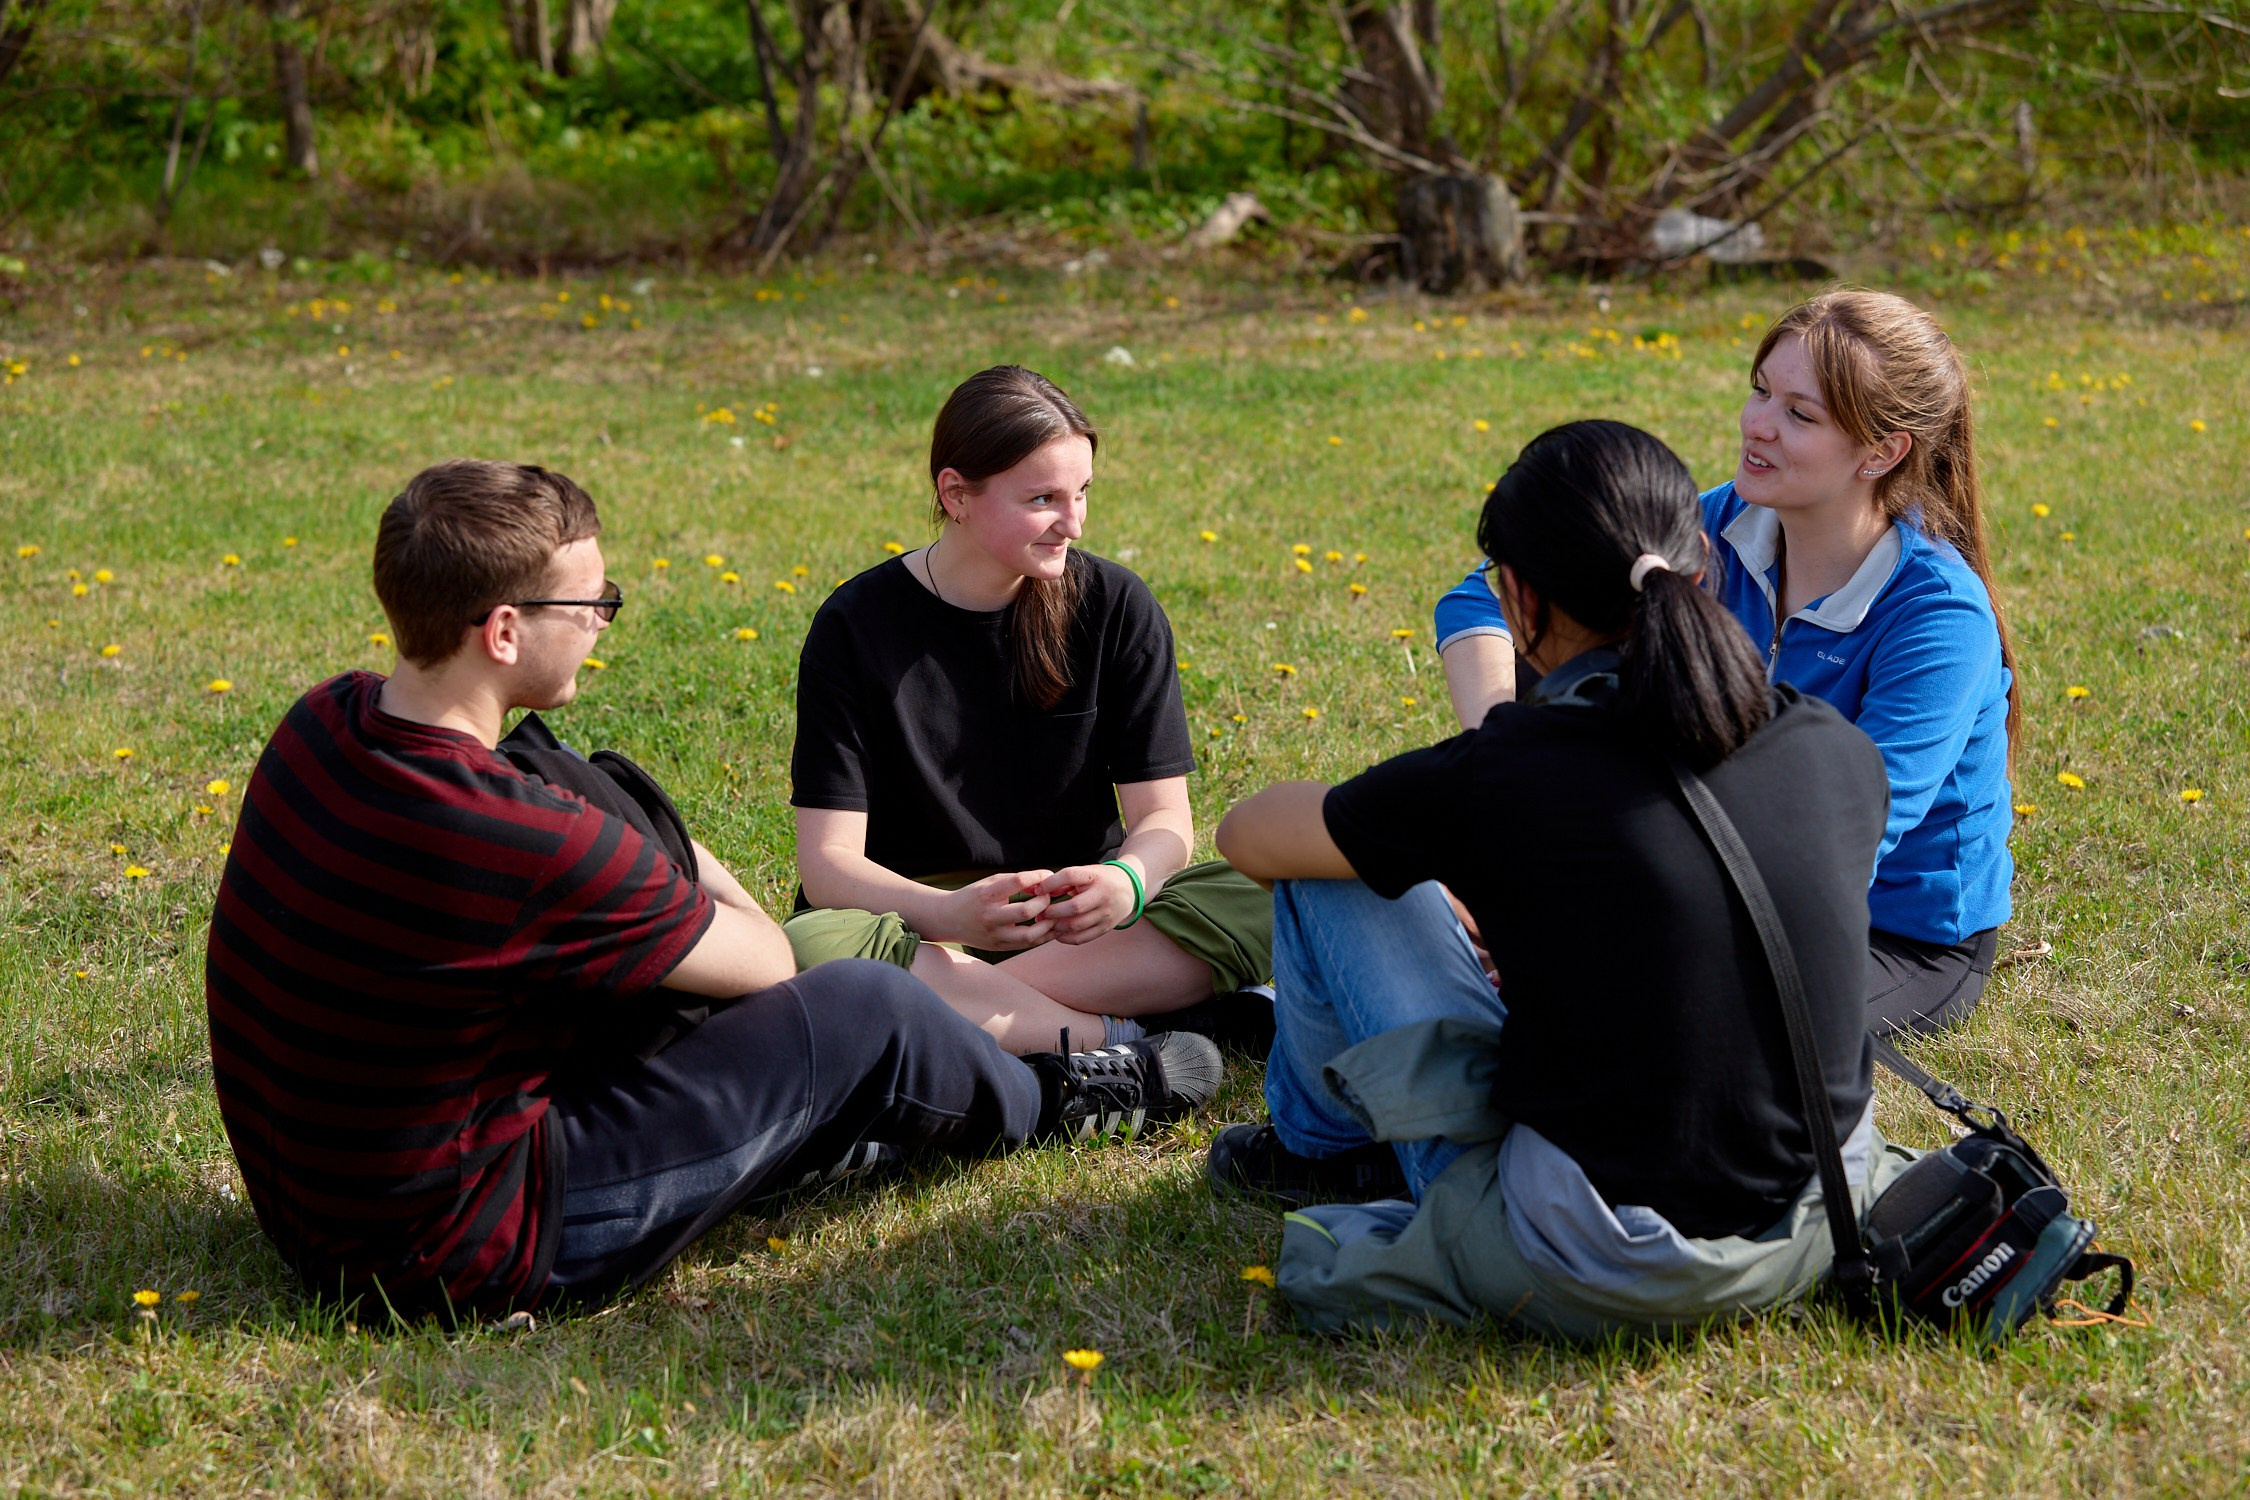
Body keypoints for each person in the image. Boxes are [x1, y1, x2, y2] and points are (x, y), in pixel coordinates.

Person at [205, 460, 1219, 1322]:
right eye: (590, 604)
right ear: (504, 631)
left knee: (609, 875)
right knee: (859, 1007)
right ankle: (1060, 1096)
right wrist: (648, 833)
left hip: (317, 1208)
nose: (602, 623)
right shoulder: (528, 837)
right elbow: (770, 964)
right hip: (462, 1250)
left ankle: (848, 1130)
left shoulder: (325, 721)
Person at [1208, 419, 1909, 1339]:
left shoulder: (1513, 771)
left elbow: (1249, 836)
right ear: (1702, 567)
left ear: (1518, 599)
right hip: (1816, 1225)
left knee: (1326, 867)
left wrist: (1443, 844)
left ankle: (1322, 1148)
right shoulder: (1833, 746)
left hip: (1600, 1254)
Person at [1429, 289, 2016, 1037]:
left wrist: (1605, 924)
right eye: (1761, 391)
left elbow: (1845, 844)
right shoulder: (1720, 524)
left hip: (1888, 933)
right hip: (1701, 864)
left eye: (1800, 415)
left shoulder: (1938, 616)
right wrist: (1500, 755)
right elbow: (1495, 593)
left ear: (1882, 452)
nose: (1757, 425)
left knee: (1645, 1018)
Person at [785, 366, 1273, 1055]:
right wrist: (950, 914)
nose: (1073, 523)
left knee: (1271, 891)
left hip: (1085, 928)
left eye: (1082, 493)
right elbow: (828, 865)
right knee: (812, 946)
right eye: (1043, 498)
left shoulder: (1116, 605)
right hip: (925, 928)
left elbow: (1164, 820)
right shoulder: (855, 624)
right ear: (956, 494)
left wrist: (1128, 882)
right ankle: (1135, 1036)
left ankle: (975, 1018)